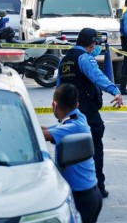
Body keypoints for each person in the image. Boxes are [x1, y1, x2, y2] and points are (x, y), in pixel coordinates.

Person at [57, 27, 124, 198]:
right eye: (96, 45)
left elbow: (59, 88)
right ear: (92, 44)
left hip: (69, 115)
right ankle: (97, 187)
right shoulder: (85, 59)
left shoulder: (64, 61)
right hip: (87, 113)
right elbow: (97, 77)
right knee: (94, 150)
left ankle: (71, 188)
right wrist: (114, 90)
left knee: (71, 153)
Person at [42, 83, 102, 222]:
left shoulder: (73, 127)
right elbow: (48, 129)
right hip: (89, 194)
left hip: (82, 198)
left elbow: (43, 135)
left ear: (54, 105)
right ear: (77, 104)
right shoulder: (76, 118)